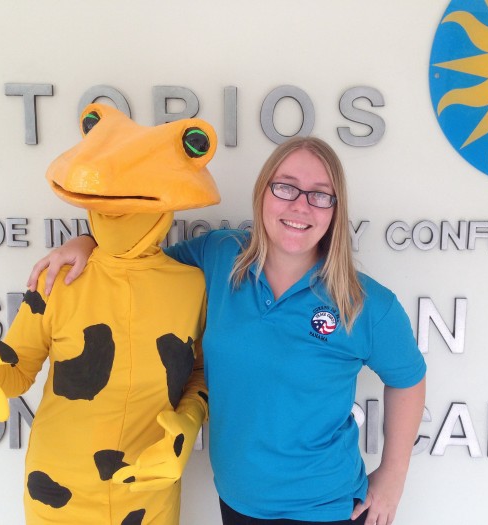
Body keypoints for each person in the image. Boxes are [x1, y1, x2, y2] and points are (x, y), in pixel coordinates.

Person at [28, 136, 427, 525]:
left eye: (320, 194)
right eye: (286, 187)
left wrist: (394, 476)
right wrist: (86, 242)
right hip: (238, 501)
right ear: (263, 193)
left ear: (335, 209)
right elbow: (137, 261)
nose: (301, 205)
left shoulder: (366, 302)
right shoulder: (220, 255)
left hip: (326, 506)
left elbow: (408, 379)